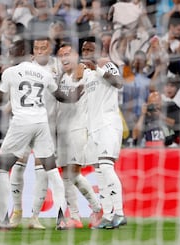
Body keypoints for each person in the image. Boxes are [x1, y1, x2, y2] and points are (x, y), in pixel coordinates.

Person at [0, 38, 84, 231]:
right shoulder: (44, 74)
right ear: (31, 55)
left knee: (2, 169)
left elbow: (0, 101)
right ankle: (61, 219)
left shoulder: (10, 72)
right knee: (52, 171)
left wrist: (7, 88)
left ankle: (4, 219)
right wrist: (78, 92)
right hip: (41, 124)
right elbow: (62, 96)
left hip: (21, 124)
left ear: (13, 56)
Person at [80, 36, 127, 229]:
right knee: (99, 173)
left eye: (90, 49)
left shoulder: (107, 66)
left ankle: (120, 213)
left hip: (108, 124)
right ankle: (107, 216)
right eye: (84, 49)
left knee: (107, 168)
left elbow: (118, 83)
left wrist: (97, 68)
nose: (86, 52)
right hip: (92, 129)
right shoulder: (85, 75)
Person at [55, 42, 103, 228]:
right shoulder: (60, 78)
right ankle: (75, 217)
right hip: (62, 132)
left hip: (78, 129)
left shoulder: (87, 74)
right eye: (61, 55)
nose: (65, 57)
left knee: (73, 174)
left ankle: (97, 209)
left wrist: (85, 65)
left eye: (68, 53)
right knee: (66, 176)